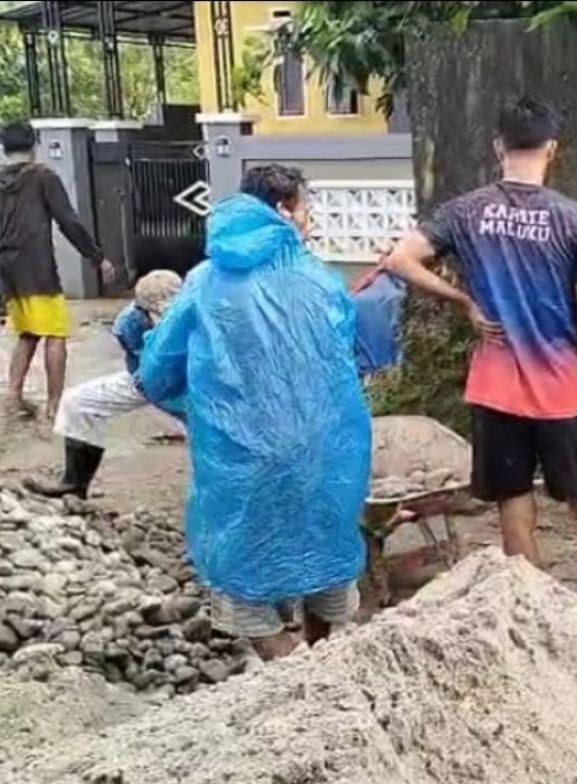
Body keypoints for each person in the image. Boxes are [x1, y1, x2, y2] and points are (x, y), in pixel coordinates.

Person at [383, 96, 577, 603]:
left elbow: (399, 260)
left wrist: (463, 299)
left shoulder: (464, 212)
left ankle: (532, 619)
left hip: (497, 390)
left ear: (498, 147)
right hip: (566, 389)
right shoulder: (576, 219)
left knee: (515, 507)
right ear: (552, 148)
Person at [138, 165, 371, 661]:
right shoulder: (323, 281)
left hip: (241, 464)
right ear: (284, 211)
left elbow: (156, 373)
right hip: (327, 455)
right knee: (325, 561)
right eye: (306, 210)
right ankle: (317, 665)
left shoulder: (203, 283)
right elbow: (346, 360)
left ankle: (288, 672)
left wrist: (204, 409)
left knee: (246, 580)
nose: (310, 222)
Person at [23, 270, 185, 500]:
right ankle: (74, 484)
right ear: (141, 309)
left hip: (192, 384)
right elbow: (138, 370)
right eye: (156, 315)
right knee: (78, 403)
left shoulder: (198, 317)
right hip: (145, 377)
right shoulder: (127, 324)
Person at [0, 121, 116, 422]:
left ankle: (13, 396)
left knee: (27, 331)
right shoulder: (43, 177)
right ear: (34, 144)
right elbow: (68, 220)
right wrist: (96, 257)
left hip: (6, 269)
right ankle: (54, 406)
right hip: (36, 266)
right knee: (56, 333)